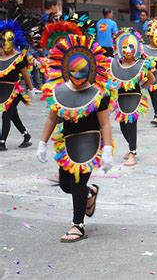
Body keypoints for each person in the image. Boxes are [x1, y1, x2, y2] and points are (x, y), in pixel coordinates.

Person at [37, 34, 115, 242]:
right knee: (66, 185)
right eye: (74, 72)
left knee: (78, 181)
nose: (78, 76)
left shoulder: (99, 94)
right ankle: (90, 194)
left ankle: (77, 225)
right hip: (68, 142)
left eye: (82, 72)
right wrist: (42, 143)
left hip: (90, 142)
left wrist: (107, 149)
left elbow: (105, 123)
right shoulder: (59, 91)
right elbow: (52, 119)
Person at [110, 28, 155, 166]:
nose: (128, 50)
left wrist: (142, 86)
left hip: (134, 99)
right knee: (123, 126)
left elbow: (152, 79)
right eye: (124, 47)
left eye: (131, 46)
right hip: (121, 99)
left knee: (131, 125)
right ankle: (131, 147)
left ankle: (132, 152)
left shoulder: (141, 64)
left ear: (136, 48)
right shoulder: (116, 65)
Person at [0, 20, 35, 151]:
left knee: (6, 115)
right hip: (2, 90)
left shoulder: (19, 57)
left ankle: (2, 142)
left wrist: (31, 89)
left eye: (9, 40)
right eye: (4, 40)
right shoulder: (1, 57)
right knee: (13, 115)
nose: (6, 43)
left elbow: (26, 75)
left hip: (14, 91)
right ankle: (26, 135)